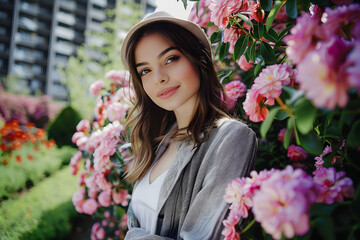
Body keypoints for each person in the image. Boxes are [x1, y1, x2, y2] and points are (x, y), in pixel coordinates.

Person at [120, 11, 257, 240]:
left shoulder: (232, 138)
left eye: (171, 59)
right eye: (145, 70)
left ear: (197, 58)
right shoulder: (161, 140)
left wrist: (132, 236)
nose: (159, 78)